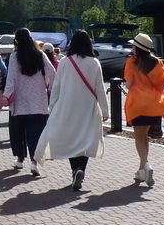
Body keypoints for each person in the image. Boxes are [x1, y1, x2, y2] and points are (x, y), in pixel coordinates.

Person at [33, 30, 109, 190]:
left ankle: (76, 169)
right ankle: (81, 169)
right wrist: (105, 110)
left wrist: (52, 106)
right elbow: (100, 89)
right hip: (88, 108)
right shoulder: (94, 63)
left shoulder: (65, 62)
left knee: (71, 139)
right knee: (86, 140)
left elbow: (56, 88)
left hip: (67, 107)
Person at [124, 33, 164, 187]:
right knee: (144, 137)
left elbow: (128, 83)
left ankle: (146, 165)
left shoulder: (132, 62)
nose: (131, 48)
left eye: (133, 46)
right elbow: (161, 84)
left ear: (137, 48)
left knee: (139, 137)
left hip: (137, 104)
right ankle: (141, 170)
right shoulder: (157, 63)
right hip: (155, 104)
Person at [3, 28, 56, 176]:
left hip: (20, 102)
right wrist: (50, 88)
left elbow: (11, 78)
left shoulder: (14, 57)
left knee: (18, 132)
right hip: (39, 101)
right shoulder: (40, 54)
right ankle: (34, 162)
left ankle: (20, 159)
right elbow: (52, 73)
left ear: (16, 41)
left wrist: (6, 95)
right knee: (36, 133)